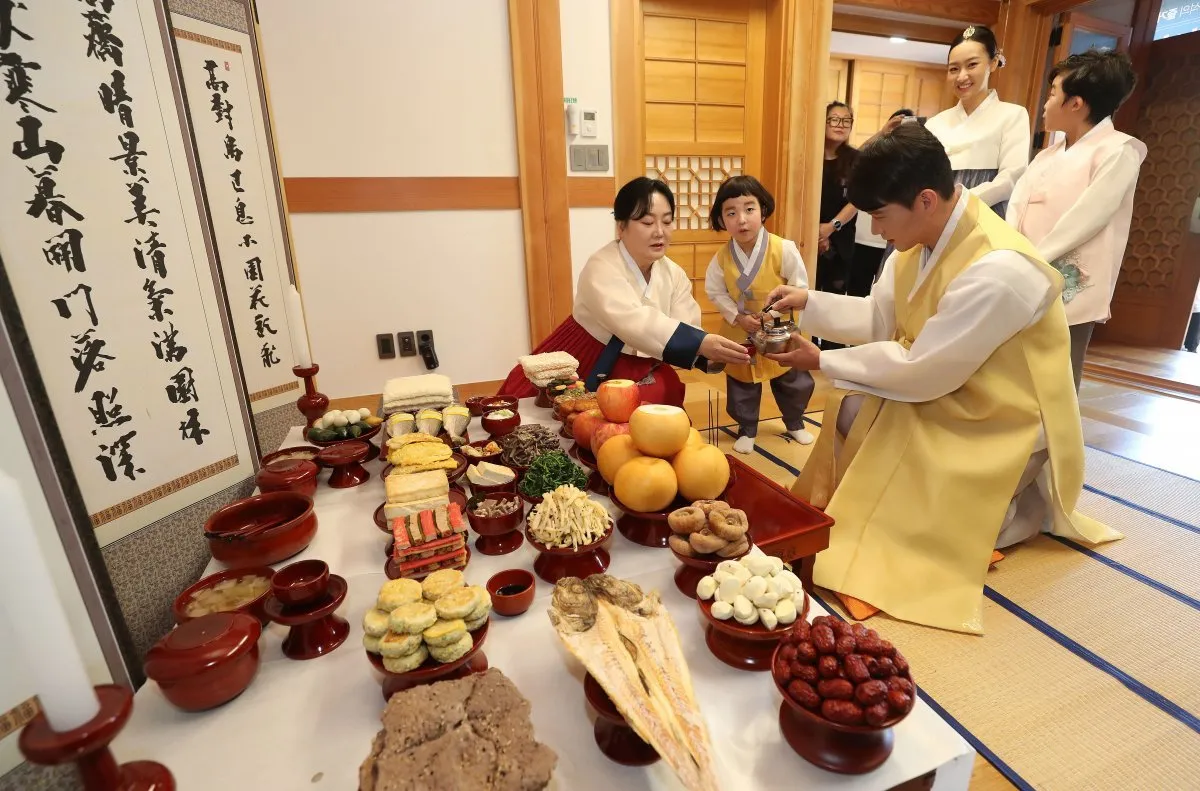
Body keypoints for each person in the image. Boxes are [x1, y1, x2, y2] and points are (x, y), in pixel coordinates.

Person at [762, 124, 1121, 635]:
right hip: (945, 381)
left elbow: (923, 372)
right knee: (853, 409)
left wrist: (820, 362)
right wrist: (810, 305)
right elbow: (881, 321)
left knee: (875, 427)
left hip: (997, 412)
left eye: (881, 216)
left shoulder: (1000, 268)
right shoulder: (916, 243)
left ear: (925, 199)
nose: (878, 231)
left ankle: (982, 518)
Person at [497, 177, 750, 405]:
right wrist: (701, 344)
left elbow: (685, 325)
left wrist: (709, 353)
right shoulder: (601, 266)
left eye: (667, 221)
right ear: (621, 227)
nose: (659, 231)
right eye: (647, 222)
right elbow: (632, 321)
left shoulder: (673, 274)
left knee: (664, 396)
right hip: (587, 357)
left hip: (641, 365)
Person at [1007, 50, 1145, 391]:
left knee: (1059, 372)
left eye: (1053, 92)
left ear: (1076, 104)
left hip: (1062, 275)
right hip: (1023, 267)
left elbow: (1090, 216)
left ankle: (1052, 445)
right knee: (1015, 366)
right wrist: (1009, 249)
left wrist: (1035, 259)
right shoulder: (1048, 154)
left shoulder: (1118, 150)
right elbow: (1017, 203)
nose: (1046, 102)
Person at [702, 175, 815, 454]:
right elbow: (716, 292)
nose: (741, 219)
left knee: (791, 376)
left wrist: (776, 309)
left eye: (749, 209)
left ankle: (794, 421)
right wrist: (737, 317)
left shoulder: (783, 248)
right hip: (740, 329)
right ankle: (747, 427)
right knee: (742, 379)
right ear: (721, 219)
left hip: (779, 328)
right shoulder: (721, 258)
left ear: (763, 210)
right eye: (731, 212)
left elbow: (800, 286)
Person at [925, 25, 1030, 217]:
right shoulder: (935, 123)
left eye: (972, 65)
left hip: (985, 212)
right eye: (954, 69)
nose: (962, 76)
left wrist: (957, 203)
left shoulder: (1013, 115)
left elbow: (1011, 178)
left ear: (993, 63)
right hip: (937, 213)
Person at [849, 109, 913, 298]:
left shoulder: (913, 159)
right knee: (857, 290)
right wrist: (882, 133)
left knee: (886, 292)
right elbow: (853, 160)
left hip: (895, 240)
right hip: (864, 238)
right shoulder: (876, 153)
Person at [814, 102, 859, 350]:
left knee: (834, 298)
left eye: (846, 121)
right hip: (807, 236)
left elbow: (857, 199)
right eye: (834, 119)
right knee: (808, 294)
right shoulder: (808, 155)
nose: (840, 125)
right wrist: (815, 233)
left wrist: (830, 228)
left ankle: (832, 351)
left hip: (841, 237)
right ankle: (806, 347)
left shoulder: (855, 159)